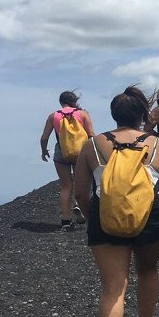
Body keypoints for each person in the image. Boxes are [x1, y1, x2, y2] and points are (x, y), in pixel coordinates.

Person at [74, 86, 159, 317]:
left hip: (105, 217)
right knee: (147, 270)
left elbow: (81, 193)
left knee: (113, 285)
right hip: (152, 217)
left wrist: (91, 213)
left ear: (113, 114)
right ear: (143, 115)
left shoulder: (92, 145)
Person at [40, 91, 95, 230]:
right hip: (80, 152)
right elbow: (91, 135)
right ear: (74, 101)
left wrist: (44, 151)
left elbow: (44, 138)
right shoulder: (83, 114)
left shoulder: (53, 116)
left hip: (61, 152)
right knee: (81, 183)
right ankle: (79, 207)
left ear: (60, 101)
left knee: (65, 186)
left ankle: (65, 221)